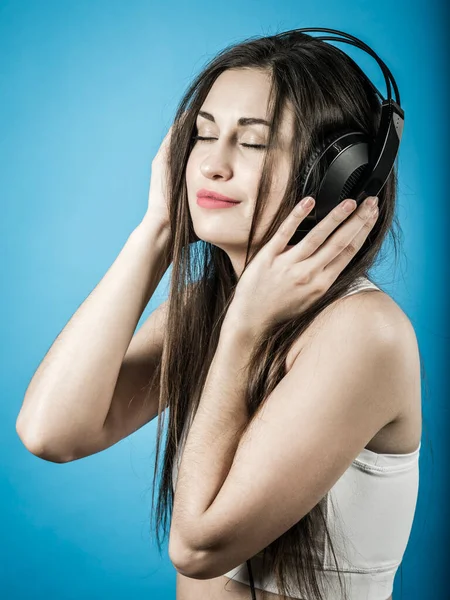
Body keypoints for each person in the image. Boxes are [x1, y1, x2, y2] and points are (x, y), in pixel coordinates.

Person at [16, 29, 422, 600]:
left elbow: (197, 545)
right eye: (203, 136)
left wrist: (244, 332)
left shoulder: (363, 334)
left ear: (339, 175)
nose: (211, 164)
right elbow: (49, 431)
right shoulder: (219, 306)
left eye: (252, 143)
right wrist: (158, 230)